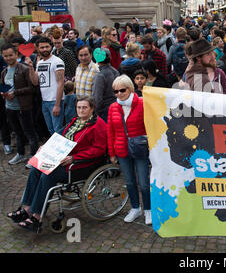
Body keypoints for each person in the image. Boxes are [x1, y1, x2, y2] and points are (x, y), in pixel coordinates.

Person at [7, 96, 107, 232]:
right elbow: (59, 135)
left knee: (47, 175)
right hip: (63, 158)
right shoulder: (75, 120)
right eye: (79, 107)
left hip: (81, 164)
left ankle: (36, 215)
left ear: (92, 108)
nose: (81, 110)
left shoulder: (98, 125)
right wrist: (46, 146)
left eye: (85, 107)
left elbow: (99, 150)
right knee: (36, 168)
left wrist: (74, 157)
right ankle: (27, 208)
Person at [107, 75, 151, 225]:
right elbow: (110, 131)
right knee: (130, 182)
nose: (119, 94)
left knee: (144, 183)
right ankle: (135, 208)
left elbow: (151, 125)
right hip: (122, 149)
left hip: (139, 148)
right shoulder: (113, 107)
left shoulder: (142, 103)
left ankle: (148, 210)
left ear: (130, 89)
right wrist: (111, 153)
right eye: (115, 91)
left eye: (122, 90)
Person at [0, 44, 40, 165]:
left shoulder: (24, 69)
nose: (8, 58)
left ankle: (33, 156)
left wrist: (15, 93)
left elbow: (32, 88)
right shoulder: (4, 71)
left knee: (29, 133)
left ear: (16, 55)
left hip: (23, 107)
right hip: (9, 107)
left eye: (10, 55)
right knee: (17, 132)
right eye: (5, 56)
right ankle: (20, 154)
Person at [30, 37, 65, 135]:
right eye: (42, 47)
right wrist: (30, 67)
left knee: (58, 130)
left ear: (51, 47)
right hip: (44, 101)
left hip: (55, 101)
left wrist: (57, 104)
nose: (45, 49)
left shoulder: (57, 61)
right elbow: (35, 82)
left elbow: (61, 83)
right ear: (38, 49)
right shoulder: (39, 62)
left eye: (47, 47)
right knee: (50, 130)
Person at [92, 48, 120, 122]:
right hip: (116, 107)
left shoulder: (99, 75)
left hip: (104, 111)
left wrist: (94, 113)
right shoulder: (115, 71)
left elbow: (97, 98)